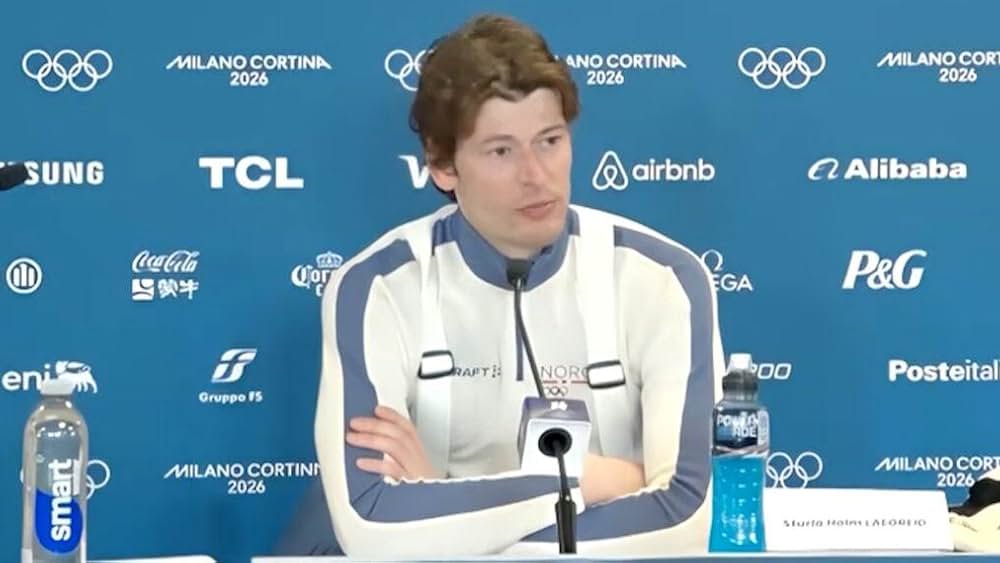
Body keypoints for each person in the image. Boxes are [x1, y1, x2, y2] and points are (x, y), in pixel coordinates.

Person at [280, 13, 724, 558]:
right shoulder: (376, 287)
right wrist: (596, 480)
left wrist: (441, 505)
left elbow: (691, 520)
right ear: (443, 166)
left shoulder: (664, 279)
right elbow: (371, 526)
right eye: (501, 151)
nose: (536, 175)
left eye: (550, 141)